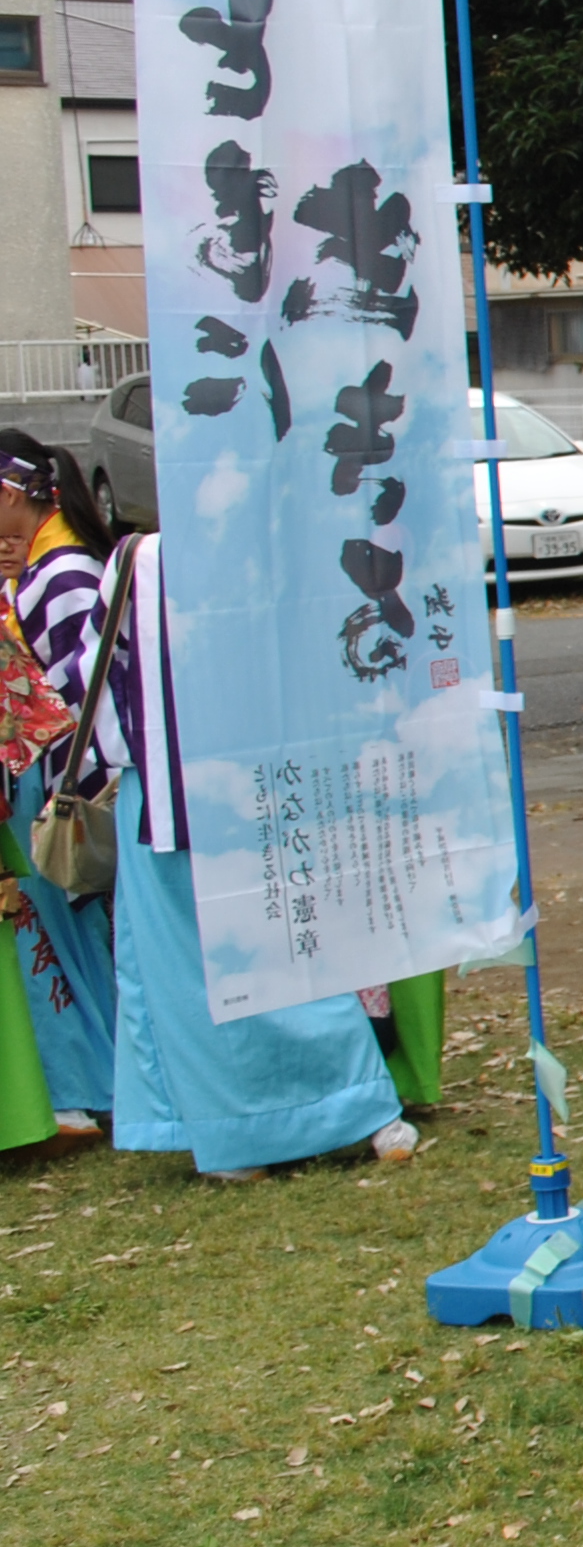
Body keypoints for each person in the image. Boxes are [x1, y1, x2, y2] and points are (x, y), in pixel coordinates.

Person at [84, 528, 406, 1176]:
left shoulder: (137, 560)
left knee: (193, 973)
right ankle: (353, 1111)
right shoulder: (270, 537)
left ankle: (241, 1135)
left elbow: (96, 673)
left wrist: (127, 757)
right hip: (262, 784)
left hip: (170, 789)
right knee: (293, 952)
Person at [0, 433, 115, 1138]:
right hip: (37, 777)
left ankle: (84, 1086)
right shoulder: (39, 564)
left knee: (55, 937)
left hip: (46, 781)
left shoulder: (63, 569)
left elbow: (74, 694)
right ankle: (87, 1082)